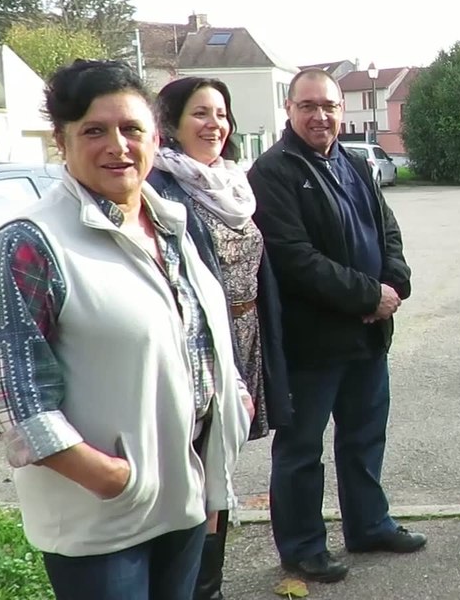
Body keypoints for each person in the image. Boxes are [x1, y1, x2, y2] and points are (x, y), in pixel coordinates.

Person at [0, 59, 251, 600]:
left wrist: (229, 414)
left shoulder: (168, 226)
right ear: (61, 140)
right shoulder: (30, 243)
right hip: (101, 519)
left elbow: (198, 339)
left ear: (155, 138)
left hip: (185, 496)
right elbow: (6, 397)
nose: (117, 145)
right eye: (94, 130)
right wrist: (109, 477)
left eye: (131, 129)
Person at [247, 68, 422, 585]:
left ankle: (369, 525)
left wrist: (395, 283)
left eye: (328, 106)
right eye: (308, 106)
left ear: (341, 110)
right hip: (312, 343)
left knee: (364, 438)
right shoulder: (274, 171)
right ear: (290, 110)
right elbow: (295, 258)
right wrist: (369, 296)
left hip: (368, 336)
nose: (320, 116)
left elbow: (386, 229)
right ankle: (302, 548)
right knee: (302, 450)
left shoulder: (352, 163)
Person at [147, 76, 293, 600]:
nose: (215, 124)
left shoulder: (233, 183)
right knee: (191, 465)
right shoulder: (160, 186)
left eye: (221, 114)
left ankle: (208, 583)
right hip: (198, 346)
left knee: (219, 465)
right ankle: (192, 586)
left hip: (246, 334)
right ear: (171, 123)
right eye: (201, 114)